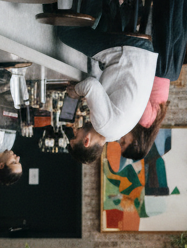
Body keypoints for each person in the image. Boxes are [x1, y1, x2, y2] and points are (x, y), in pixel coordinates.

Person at [57, 24, 159, 164]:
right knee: (66, 33)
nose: (75, 130)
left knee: (98, 28)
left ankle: (101, 5)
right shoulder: (103, 126)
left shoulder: (113, 133)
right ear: (86, 141)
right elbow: (90, 85)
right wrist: (75, 92)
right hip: (128, 51)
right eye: (75, 137)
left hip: (143, 54)